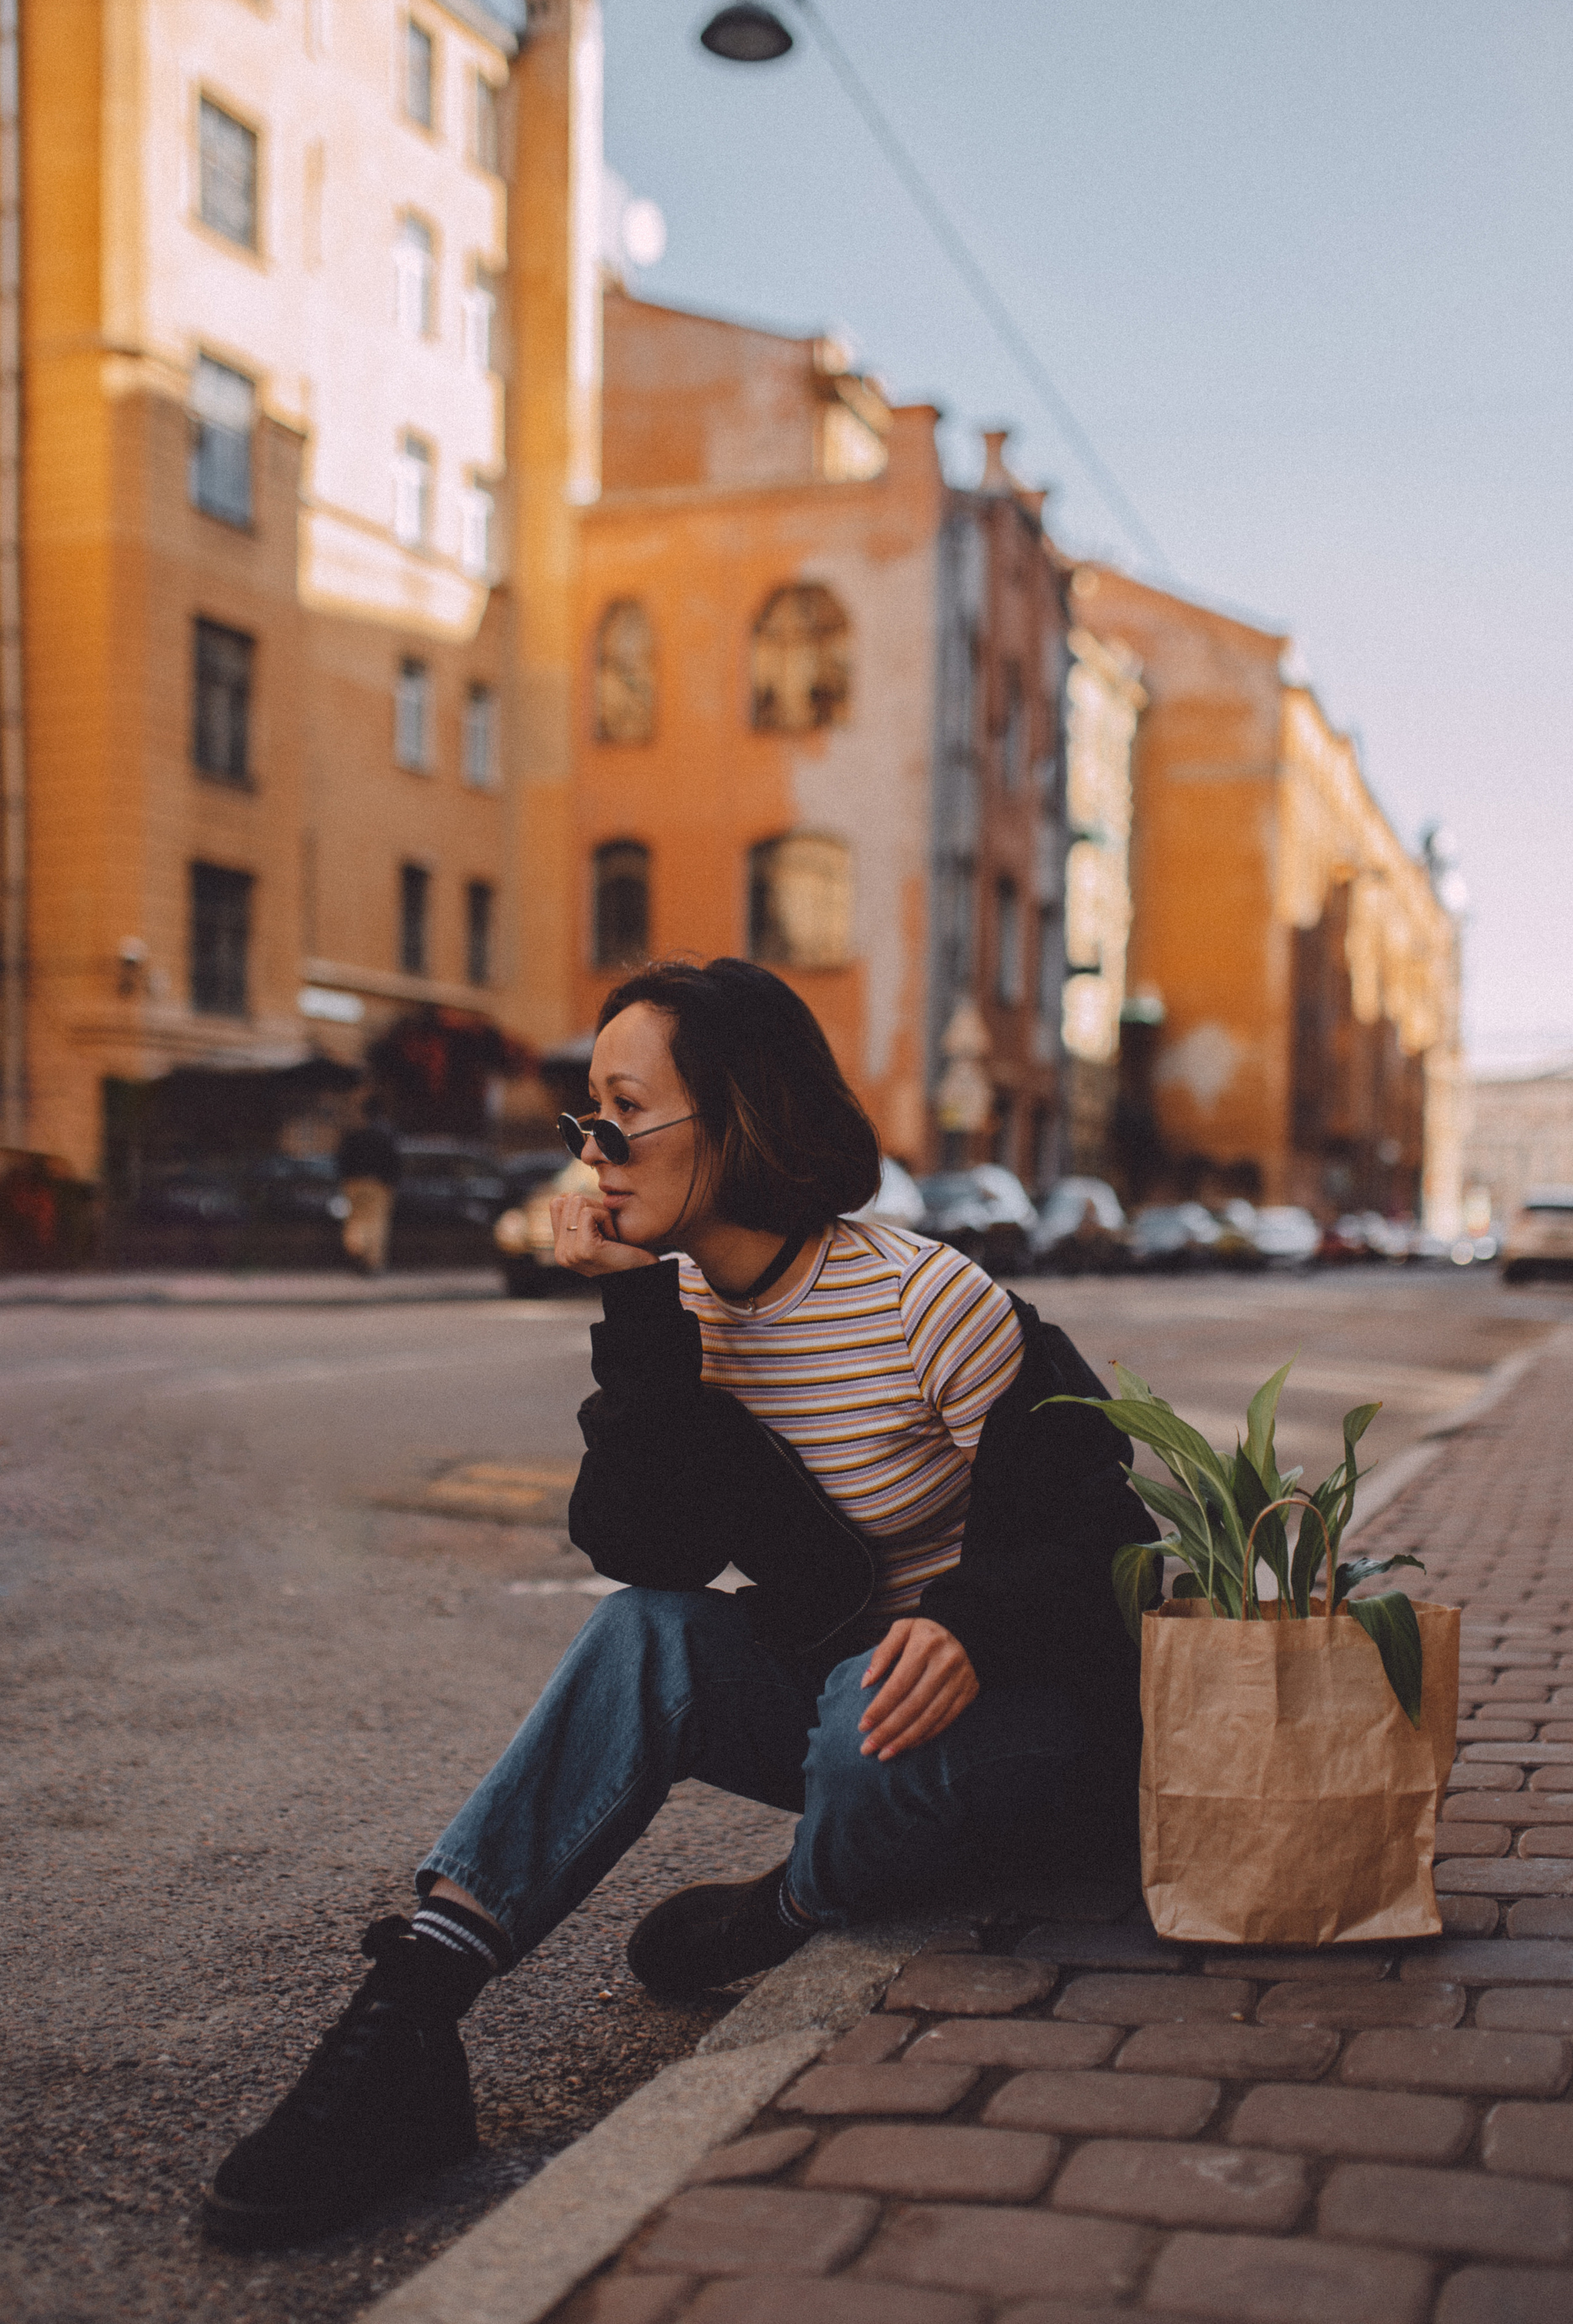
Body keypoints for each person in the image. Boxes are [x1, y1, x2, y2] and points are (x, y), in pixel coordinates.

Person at [203, 959, 1151, 2250]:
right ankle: (408, 2023)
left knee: (860, 1731)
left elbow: (1108, 1542)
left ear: (740, 1111)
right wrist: (634, 1312)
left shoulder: (928, 1301)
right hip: (840, 1692)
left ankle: (786, 1911)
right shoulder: (687, 1303)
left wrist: (974, 1623)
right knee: (641, 1636)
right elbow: (643, 1551)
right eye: (582, 1116)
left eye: (622, 1111)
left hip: (1012, 1714)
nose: (592, 1147)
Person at [335, 1099, 402, 1277]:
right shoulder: (386, 1135)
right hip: (378, 1184)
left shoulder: (353, 1135)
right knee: (376, 1223)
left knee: (355, 1220)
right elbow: (394, 1160)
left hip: (354, 1183)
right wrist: (392, 1182)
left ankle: (356, 1248)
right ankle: (372, 1262)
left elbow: (342, 1160)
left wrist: (345, 1180)